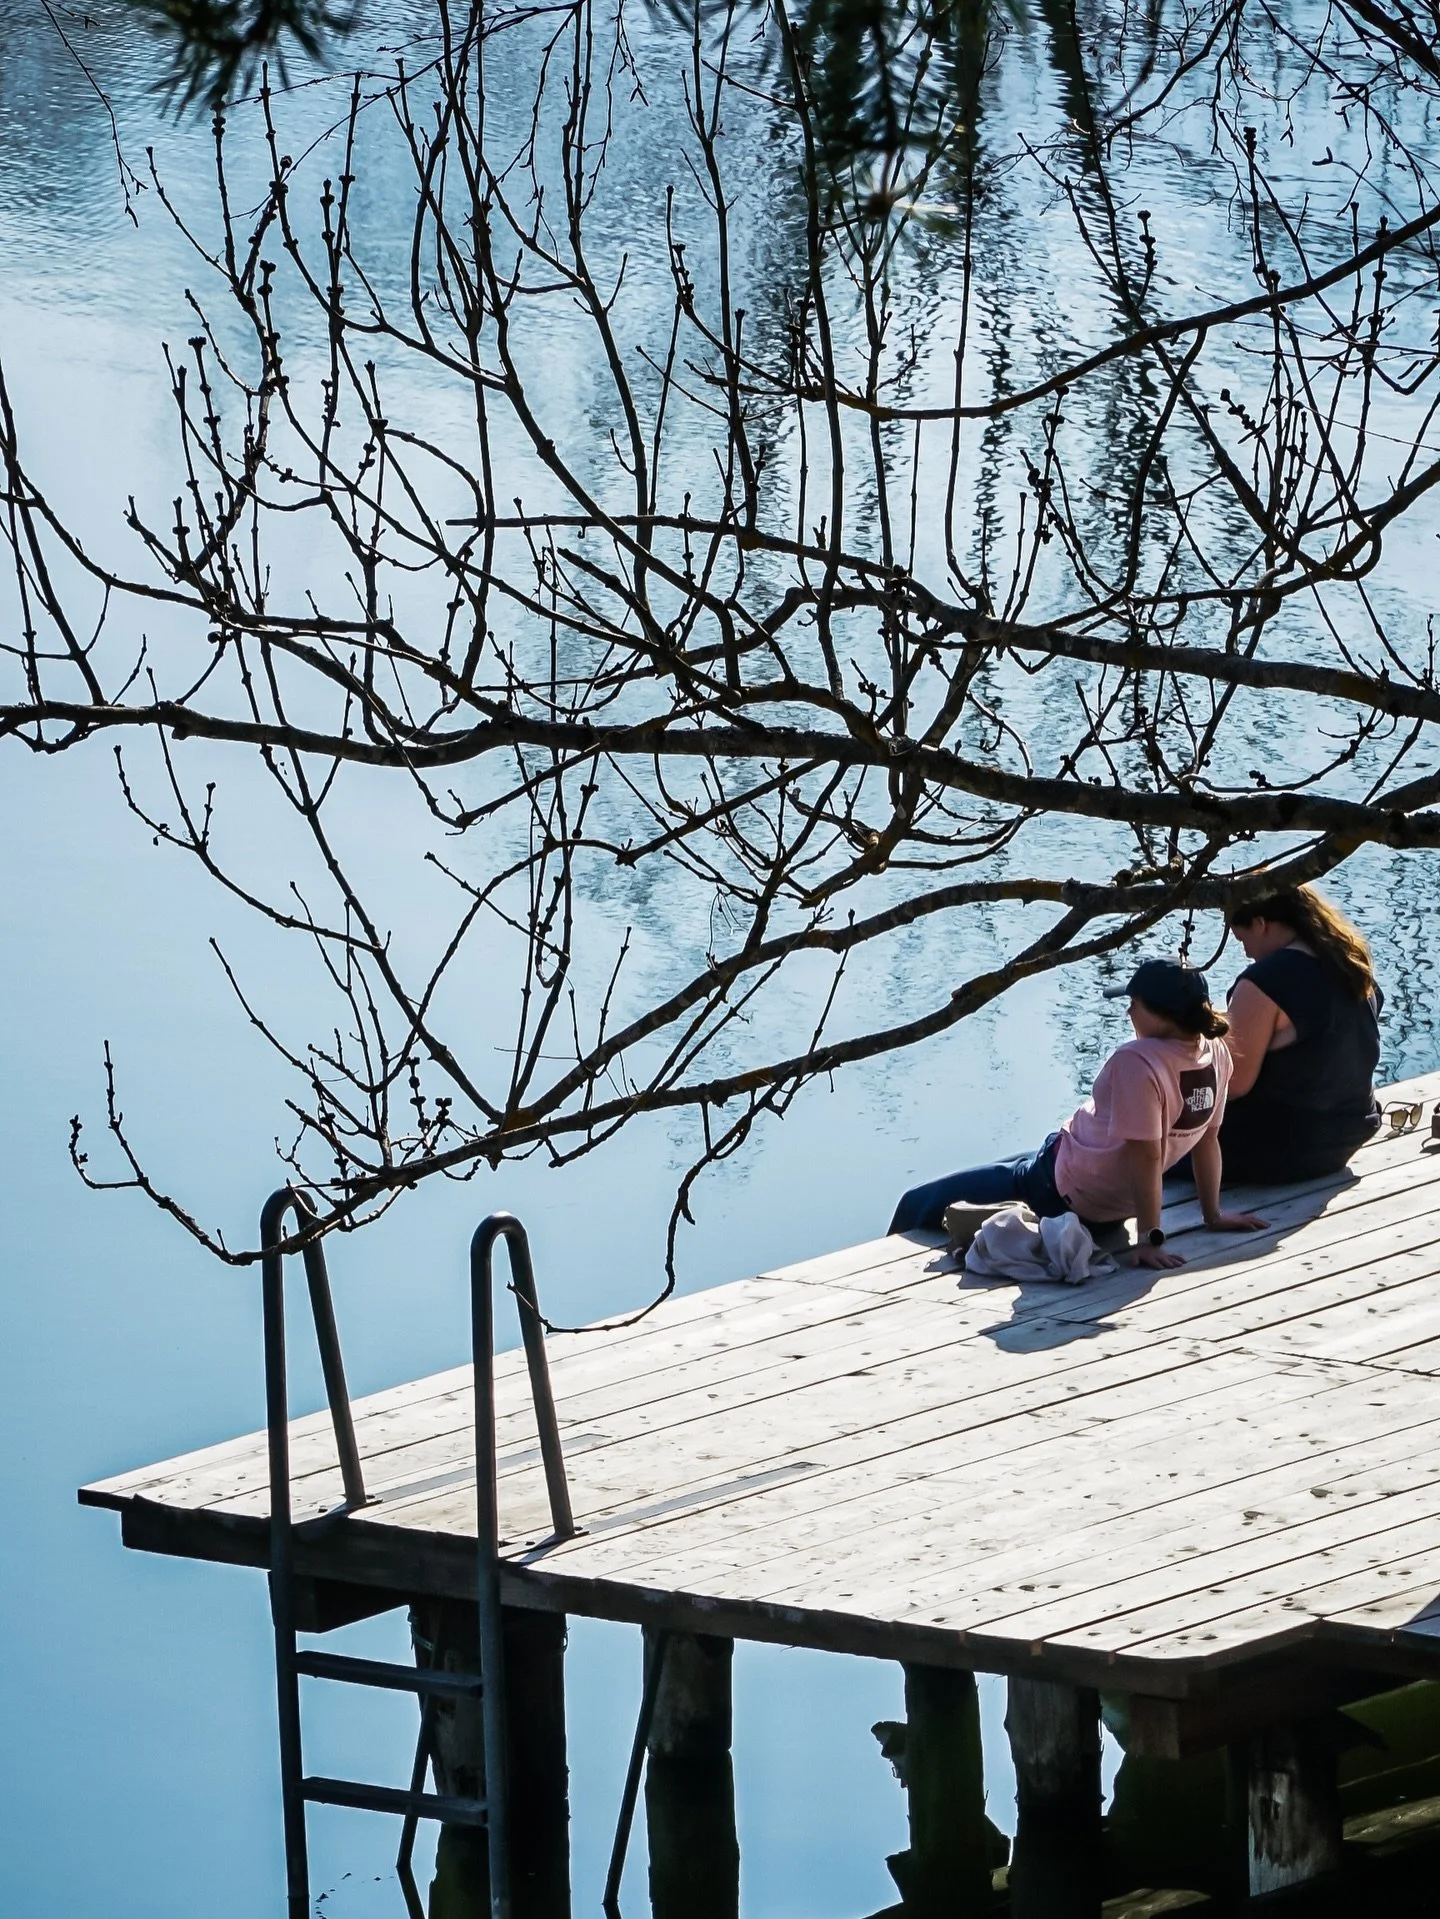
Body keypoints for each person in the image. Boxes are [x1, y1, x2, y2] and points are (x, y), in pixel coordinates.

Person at [889, 959, 1267, 1269]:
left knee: (915, 1202)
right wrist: (1212, 1214)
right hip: (1097, 1196)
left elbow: (1146, 1155)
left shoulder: (1138, 1061)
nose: (1128, 1010)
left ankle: (887, 1273)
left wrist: (1150, 1239)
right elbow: (1207, 1140)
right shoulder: (1214, 1052)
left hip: (1053, 1187)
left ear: (1158, 1014)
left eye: (1133, 1003)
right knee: (1016, 1160)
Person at [1219, 885, 1383, 1184]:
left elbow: (1233, 1083)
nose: (1246, 952)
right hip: (1347, 1135)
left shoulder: (1263, 981)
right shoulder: (1350, 962)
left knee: (1139, 1134)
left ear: (1260, 922)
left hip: (1282, 1147)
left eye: (1242, 939)